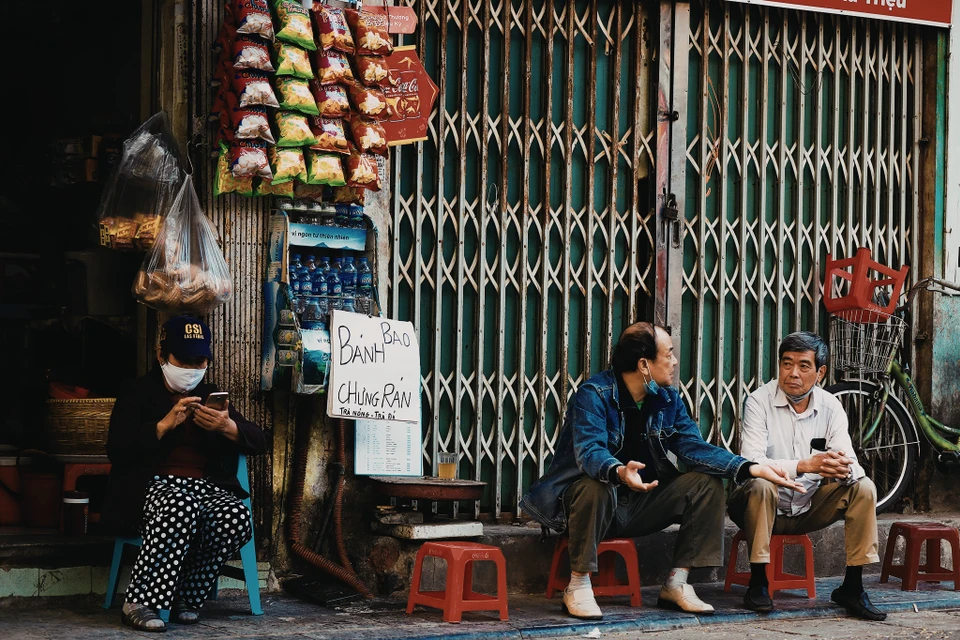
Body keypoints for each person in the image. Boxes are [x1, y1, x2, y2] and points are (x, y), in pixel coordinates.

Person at [519, 322, 804, 620]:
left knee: (706, 484)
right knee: (596, 484)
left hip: (642, 503)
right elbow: (589, 453)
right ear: (644, 364)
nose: (675, 361)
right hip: (590, 508)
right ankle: (577, 584)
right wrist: (617, 471)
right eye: (668, 354)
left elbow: (694, 447)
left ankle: (677, 583)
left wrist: (751, 468)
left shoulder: (667, 399)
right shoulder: (593, 395)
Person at [100, 316, 268, 632]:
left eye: (199, 360)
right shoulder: (137, 392)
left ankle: (184, 596)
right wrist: (163, 426)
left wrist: (227, 427)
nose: (192, 367)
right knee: (181, 506)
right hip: (151, 485)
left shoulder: (211, 395)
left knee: (234, 516)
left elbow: (259, 439)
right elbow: (117, 449)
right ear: (162, 356)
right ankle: (138, 601)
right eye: (184, 359)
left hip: (204, 486)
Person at [728, 331, 884, 620]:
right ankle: (759, 582)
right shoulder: (758, 402)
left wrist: (843, 467)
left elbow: (849, 460)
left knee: (863, 488)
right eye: (786, 364)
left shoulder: (830, 406)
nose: (793, 374)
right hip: (758, 506)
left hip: (808, 506)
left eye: (803, 366)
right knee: (762, 483)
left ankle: (853, 586)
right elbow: (752, 461)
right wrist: (804, 465)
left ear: (820, 372)